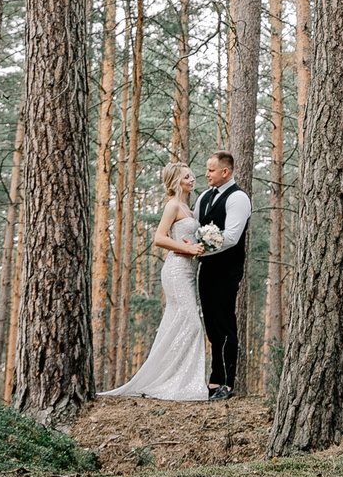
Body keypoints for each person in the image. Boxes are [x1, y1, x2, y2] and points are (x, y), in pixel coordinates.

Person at [101, 163, 213, 401]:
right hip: (176, 272)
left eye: (191, 175)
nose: (193, 179)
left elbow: (188, 240)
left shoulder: (188, 208)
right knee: (192, 324)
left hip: (189, 272)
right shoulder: (173, 205)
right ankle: (174, 381)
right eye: (187, 176)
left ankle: (173, 379)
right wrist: (188, 247)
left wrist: (198, 248)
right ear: (176, 181)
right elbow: (159, 238)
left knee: (176, 323)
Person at [195, 150, 250, 400]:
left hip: (227, 270)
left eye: (211, 170)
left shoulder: (238, 198)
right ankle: (214, 381)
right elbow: (197, 227)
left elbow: (231, 237)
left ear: (225, 171)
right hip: (206, 269)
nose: (206, 174)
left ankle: (227, 383)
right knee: (212, 327)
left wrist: (201, 248)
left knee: (225, 325)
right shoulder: (204, 197)